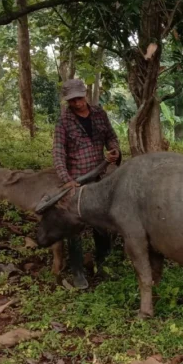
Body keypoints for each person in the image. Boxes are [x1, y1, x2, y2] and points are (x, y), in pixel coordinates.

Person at [52, 79, 120, 290]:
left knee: (101, 222)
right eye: (72, 100)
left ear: (86, 95)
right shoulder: (64, 121)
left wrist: (114, 150)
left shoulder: (100, 114)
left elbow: (111, 136)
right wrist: (67, 180)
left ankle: (103, 263)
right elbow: (58, 153)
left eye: (79, 99)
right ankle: (78, 272)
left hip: (99, 178)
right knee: (75, 227)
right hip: (76, 182)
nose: (77, 103)